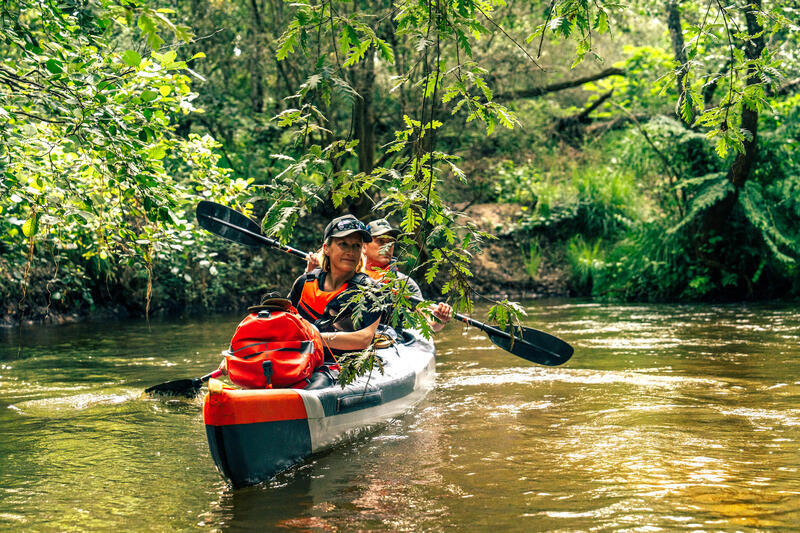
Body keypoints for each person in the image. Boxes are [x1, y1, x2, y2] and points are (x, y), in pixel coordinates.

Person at [289, 214, 382, 361]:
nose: (351, 252)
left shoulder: (371, 290)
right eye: (343, 244)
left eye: (356, 246)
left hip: (344, 365)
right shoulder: (304, 282)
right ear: (326, 248)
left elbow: (364, 339)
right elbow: (285, 320)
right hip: (302, 360)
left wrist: (314, 337)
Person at [363, 218, 453, 333]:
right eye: (380, 241)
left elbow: (428, 325)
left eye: (390, 242)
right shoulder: (350, 276)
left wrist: (440, 319)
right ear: (364, 246)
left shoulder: (405, 283)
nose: (387, 247)